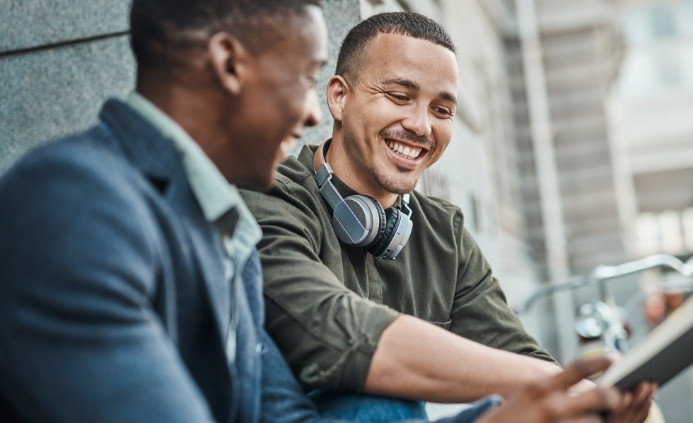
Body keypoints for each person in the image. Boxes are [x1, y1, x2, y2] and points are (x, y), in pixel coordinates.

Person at [0, 1, 647, 423]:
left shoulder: (219, 226)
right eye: (304, 75)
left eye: (443, 109)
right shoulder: (73, 199)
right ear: (229, 64)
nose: (310, 114)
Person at [240, 10, 655, 423]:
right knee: (381, 406)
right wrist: (546, 380)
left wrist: (583, 404)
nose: (421, 125)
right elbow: (335, 334)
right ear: (338, 97)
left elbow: (514, 354)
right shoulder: (267, 197)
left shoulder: (445, 233)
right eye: (400, 96)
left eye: (442, 109)